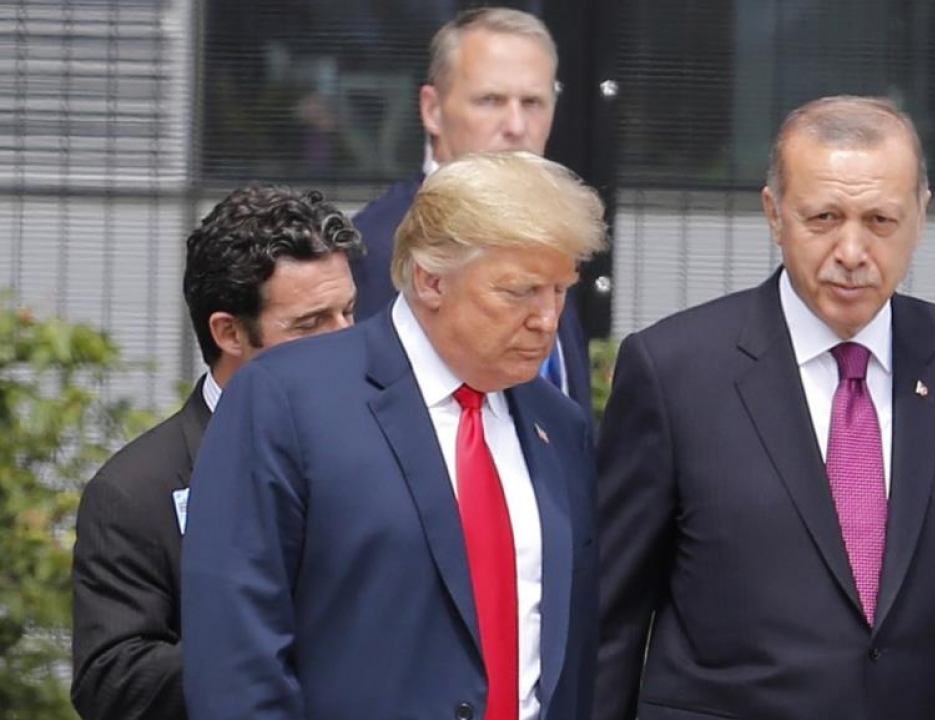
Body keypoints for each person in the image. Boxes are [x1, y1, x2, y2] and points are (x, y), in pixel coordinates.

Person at [594, 96, 935, 720]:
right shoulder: (674, 372)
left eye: (880, 221)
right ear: (775, 214)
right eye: (824, 218)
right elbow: (610, 612)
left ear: (920, 216)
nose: (852, 251)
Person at [182, 151, 606, 720]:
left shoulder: (558, 424)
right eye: (519, 291)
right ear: (431, 280)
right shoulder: (287, 399)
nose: (546, 320)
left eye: (559, 290)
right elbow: (236, 661)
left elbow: (569, 652)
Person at [70, 185, 364, 720]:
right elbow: (113, 681)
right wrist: (283, 641)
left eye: (349, 312)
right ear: (229, 332)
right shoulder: (136, 490)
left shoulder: (392, 440)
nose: (347, 341)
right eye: (311, 323)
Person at [351, 8, 593, 420]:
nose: (516, 125)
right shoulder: (375, 246)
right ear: (432, 109)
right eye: (490, 101)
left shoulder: (552, 234)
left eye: (533, 102)